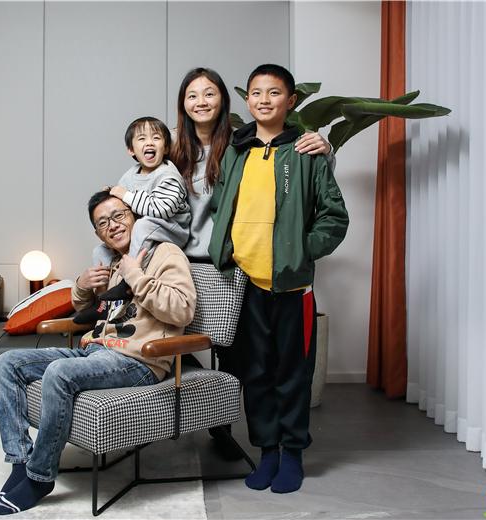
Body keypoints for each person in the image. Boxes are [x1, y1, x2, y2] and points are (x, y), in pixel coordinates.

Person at [0, 190, 196, 515]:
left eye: (119, 215)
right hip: (96, 351)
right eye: (102, 223)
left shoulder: (165, 252)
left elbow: (182, 310)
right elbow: (91, 311)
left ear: (135, 217)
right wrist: (82, 286)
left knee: (59, 373)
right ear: (98, 234)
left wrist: (136, 276)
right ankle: (20, 463)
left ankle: (39, 478)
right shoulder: (113, 263)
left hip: (138, 360)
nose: (113, 225)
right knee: (7, 363)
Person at [208, 64, 349, 494]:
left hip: (292, 287)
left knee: (292, 373)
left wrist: (301, 250)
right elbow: (220, 205)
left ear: (291, 101)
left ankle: (293, 454)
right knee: (255, 372)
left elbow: (334, 217)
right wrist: (226, 249)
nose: (264, 100)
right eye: (256, 92)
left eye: (274, 92)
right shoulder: (236, 151)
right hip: (244, 284)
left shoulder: (306, 151)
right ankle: (268, 450)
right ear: (247, 100)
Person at [170, 67, 334, 262]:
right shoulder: (167, 144)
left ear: (223, 100)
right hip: (175, 258)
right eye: (192, 96)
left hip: (228, 260)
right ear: (182, 103)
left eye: (209, 94)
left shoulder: (241, 143)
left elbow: (308, 181)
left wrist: (326, 149)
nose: (201, 102)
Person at [74, 117, 191, 324]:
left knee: (143, 224)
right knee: (99, 251)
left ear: (165, 148)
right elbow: (121, 203)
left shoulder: (169, 175)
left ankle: (126, 283)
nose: (149, 142)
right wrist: (111, 192)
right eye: (142, 138)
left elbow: (162, 209)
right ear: (131, 150)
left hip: (172, 227)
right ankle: (103, 302)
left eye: (156, 138)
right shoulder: (131, 175)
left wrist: (125, 195)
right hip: (146, 229)